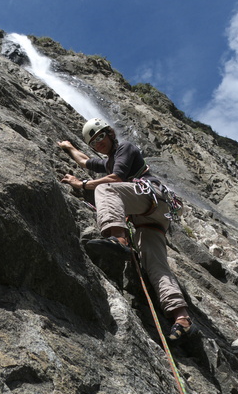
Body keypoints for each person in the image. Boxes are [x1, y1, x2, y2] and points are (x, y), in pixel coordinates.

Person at [58, 118, 196, 341]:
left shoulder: (125, 148)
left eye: (101, 136)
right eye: (94, 142)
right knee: (155, 264)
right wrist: (70, 148)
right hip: (151, 218)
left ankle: (119, 240)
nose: (99, 143)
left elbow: (116, 178)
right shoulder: (110, 160)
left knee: (106, 189)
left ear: (111, 133)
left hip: (151, 198)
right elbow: (85, 162)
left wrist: (81, 185)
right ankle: (182, 318)